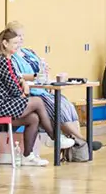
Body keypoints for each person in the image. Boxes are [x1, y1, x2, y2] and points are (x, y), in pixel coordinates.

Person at [7, 22, 98, 151]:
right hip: (32, 92)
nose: (21, 39)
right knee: (56, 108)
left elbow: (42, 68)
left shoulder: (29, 52)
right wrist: (35, 76)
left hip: (43, 89)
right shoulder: (10, 57)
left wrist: (45, 74)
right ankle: (82, 140)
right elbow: (16, 75)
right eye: (17, 36)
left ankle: (78, 142)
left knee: (67, 106)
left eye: (22, 35)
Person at [0, 28, 53, 167]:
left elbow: (15, 80)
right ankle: (54, 137)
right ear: (5, 43)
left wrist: (22, 84)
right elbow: (13, 88)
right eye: (14, 43)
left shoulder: (7, 61)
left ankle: (28, 156)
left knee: (34, 118)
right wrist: (23, 88)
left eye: (18, 43)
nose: (18, 46)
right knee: (37, 101)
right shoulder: (1, 61)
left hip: (3, 103)